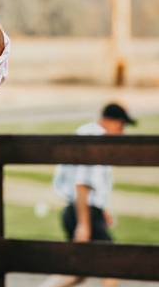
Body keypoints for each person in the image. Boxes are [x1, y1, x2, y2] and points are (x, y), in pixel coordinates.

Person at [41, 103, 137, 287]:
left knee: (78, 272)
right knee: (112, 265)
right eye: (121, 126)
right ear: (111, 122)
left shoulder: (86, 132)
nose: (121, 132)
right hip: (85, 212)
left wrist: (102, 208)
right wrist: (84, 224)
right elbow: (82, 182)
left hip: (78, 209)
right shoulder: (96, 140)